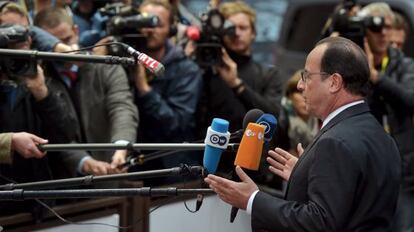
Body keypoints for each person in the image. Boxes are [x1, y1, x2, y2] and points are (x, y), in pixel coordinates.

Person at [205, 36, 401, 231]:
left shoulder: (335, 142)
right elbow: (355, 198)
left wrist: (252, 200)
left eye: (306, 76)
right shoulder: (383, 137)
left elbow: (319, 222)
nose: (300, 85)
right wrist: (307, 178)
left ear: (334, 82)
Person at [34, 7, 139, 177]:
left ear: (76, 31)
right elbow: (52, 132)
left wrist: (121, 148)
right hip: (62, 182)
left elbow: (122, 107)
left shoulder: (105, 67)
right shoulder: (39, 79)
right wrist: (83, 162)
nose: (65, 50)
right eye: (55, 45)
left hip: (111, 172)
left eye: (67, 40)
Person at [358, 3, 414, 231]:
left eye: (387, 27)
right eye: (376, 27)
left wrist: (376, 78)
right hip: (366, 168)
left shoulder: (405, 65)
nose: (383, 33)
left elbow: (411, 100)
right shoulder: (353, 66)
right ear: (364, 30)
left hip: (403, 170)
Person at [130, 0, 202, 174]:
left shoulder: (187, 70)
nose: (149, 30)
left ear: (171, 29)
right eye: (144, 23)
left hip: (171, 169)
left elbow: (176, 123)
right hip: (133, 165)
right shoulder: (124, 59)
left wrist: (144, 89)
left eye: (157, 24)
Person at [283, 70, 319, 155]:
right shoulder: (281, 121)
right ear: (290, 95)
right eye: (299, 92)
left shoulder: (320, 120)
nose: (304, 96)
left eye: (310, 90)